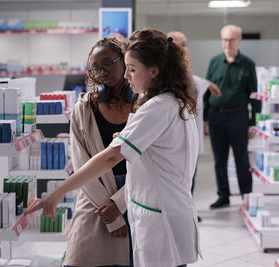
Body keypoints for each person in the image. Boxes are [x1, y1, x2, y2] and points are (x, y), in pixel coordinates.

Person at [26, 28, 200, 267]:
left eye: (132, 69)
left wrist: (56, 194)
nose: (127, 77)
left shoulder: (154, 108)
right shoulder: (177, 103)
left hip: (160, 218)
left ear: (154, 71)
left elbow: (109, 158)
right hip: (170, 211)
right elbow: (161, 150)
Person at [64, 37, 134, 267]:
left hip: (137, 192)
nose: (102, 71)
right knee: (80, 257)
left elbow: (152, 163)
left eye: (108, 63)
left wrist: (119, 205)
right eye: (96, 67)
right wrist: (111, 215)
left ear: (124, 61)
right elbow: (81, 164)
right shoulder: (83, 109)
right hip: (95, 197)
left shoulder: (144, 105)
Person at [203, 24, 261, 209]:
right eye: (224, 39)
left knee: (241, 159)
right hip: (215, 116)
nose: (227, 43)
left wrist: (253, 123)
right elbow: (206, 91)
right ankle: (223, 195)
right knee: (219, 160)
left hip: (239, 116)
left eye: (231, 39)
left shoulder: (247, 64)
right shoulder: (214, 62)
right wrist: (204, 118)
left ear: (239, 40)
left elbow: (254, 95)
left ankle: (247, 196)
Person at [167, 31, 221, 222]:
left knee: (191, 175)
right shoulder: (168, 75)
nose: (185, 48)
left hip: (193, 135)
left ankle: (188, 211)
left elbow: (195, 83)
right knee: (178, 178)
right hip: (176, 138)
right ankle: (180, 213)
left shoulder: (186, 72)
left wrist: (210, 84)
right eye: (181, 44)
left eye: (186, 43)